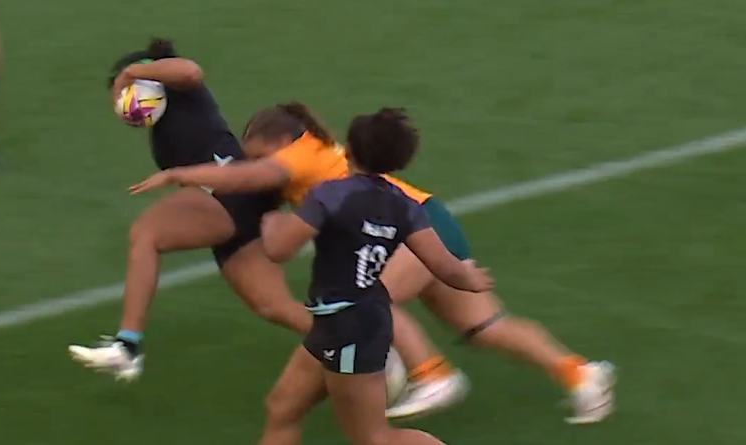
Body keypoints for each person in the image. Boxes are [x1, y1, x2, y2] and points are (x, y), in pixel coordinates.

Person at [130, 102, 616, 424]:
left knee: (367, 298)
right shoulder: (317, 161)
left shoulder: (301, 156)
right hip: (428, 221)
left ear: (278, 142)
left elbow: (250, 178)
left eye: (257, 155)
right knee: (485, 326)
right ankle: (580, 373)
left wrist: (178, 174)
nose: (258, 170)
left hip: (413, 229)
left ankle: (433, 374)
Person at [67, 38, 311, 380]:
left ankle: (127, 346)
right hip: (234, 207)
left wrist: (131, 72)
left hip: (228, 192)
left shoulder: (183, 89)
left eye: (122, 93)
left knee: (147, 233)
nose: (120, 105)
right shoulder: (163, 130)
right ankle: (369, 345)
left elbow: (191, 70)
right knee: (274, 306)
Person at [256, 107, 492, 445]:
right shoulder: (405, 205)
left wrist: (268, 219)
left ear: (348, 150)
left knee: (373, 437)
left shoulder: (329, 195)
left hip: (347, 327)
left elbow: (278, 250)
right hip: (345, 322)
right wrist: (470, 280)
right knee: (282, 407)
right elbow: (443, 265)